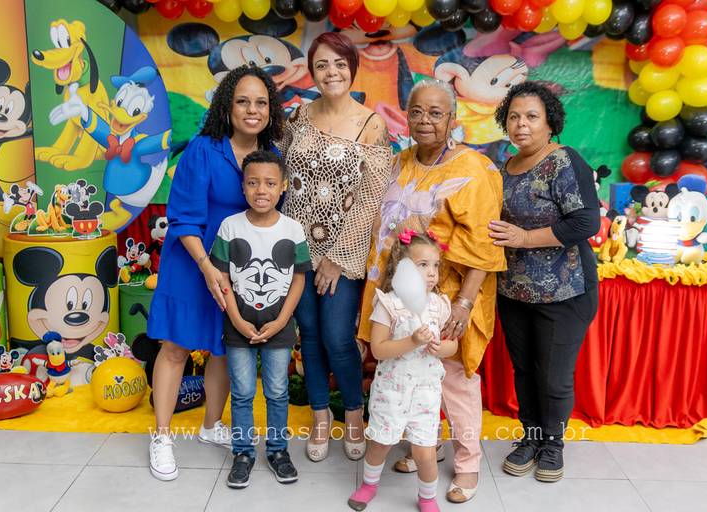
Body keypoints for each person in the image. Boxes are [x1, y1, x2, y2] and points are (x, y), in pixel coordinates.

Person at [357, 79, 506, 504]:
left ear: (452, 119)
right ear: (406, 116)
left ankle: (468, 463)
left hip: (449, 293)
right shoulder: (400, 161)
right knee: (411, 371)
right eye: (417, 112)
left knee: (454, 378)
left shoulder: (473, 168)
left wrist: (463, 303)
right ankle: (428, 444)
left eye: (436, 113)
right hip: (399, 296)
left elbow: (484, 246)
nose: (425, 120)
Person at [146, 66, 284, 481]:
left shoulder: (271, 156)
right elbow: (183, 218)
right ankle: (162, 436)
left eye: (260, 102)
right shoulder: (203, 150)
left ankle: (211, 425)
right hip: (192, 264)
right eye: (243, 101)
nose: (252, 110)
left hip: (238, 268)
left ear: (270, 109)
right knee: (176, 347)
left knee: (224, 348)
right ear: (227, 106)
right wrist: (207, 267)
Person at [279, 32, 392, 462]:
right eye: (322, 65)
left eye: (340, 64)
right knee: (308, 336)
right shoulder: (299, 116)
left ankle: (354, 414)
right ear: (312, 72)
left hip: (342, 254)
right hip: (296, 249)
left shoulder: (371, 124)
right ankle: (320, 416)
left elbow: (369, 200)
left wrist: (337, 259)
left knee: (337, 337)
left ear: (352, 69)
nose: (331, 72)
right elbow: (280, 171)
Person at [488, 81, 600, 483]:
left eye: (532, 116)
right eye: (514, 117)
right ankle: (531, 438)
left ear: (550, 122)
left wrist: (524, 238)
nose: (521, 124)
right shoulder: (505, 167)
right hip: (513, 291)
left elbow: (586, 222)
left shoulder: (564, 161)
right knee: (524, 371)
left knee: (553, 376)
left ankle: (553, 445)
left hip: (564, 291)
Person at [210, 150, 311, 489]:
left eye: (269, 183)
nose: (261, 190)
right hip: (238, 327)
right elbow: (222, 278)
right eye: (253, 183)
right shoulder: (230, 227)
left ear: (283, 187)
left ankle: (278, 450)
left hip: (278, 328)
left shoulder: (293, 229)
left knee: (277, 391)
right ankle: (243, 453)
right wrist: (237, 320)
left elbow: (298, 279)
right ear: (243, 187)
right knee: (241, 392)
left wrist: (282, 321)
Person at [348, 231, 457, 512]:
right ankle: (369, 485)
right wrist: (413, 341)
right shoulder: (389, 304)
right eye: (423, 265)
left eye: (435, 265)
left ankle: (427, 498)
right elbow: (379, 349)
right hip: (392, 391)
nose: (432, 273)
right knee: (380, 443)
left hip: (425, 392)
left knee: (425, 451)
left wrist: (440, 348)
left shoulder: (439, 306)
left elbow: (453, 345)